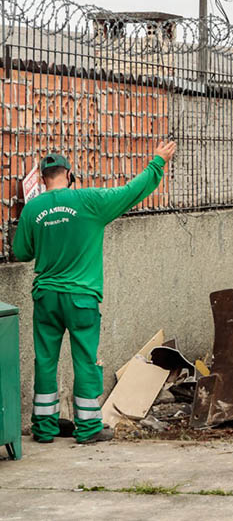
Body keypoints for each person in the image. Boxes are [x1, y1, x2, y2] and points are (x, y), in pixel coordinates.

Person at [12, 140, 177, 444]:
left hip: (46, 297)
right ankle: (88, 428)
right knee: (85, 360)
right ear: (69, 175)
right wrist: (157, 163)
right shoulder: (89, 201)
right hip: (81, 298)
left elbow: (21, 252)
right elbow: (131, 192)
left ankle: (44, 428)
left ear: (43, 179)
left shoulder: (32, 208)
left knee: (45, 361)